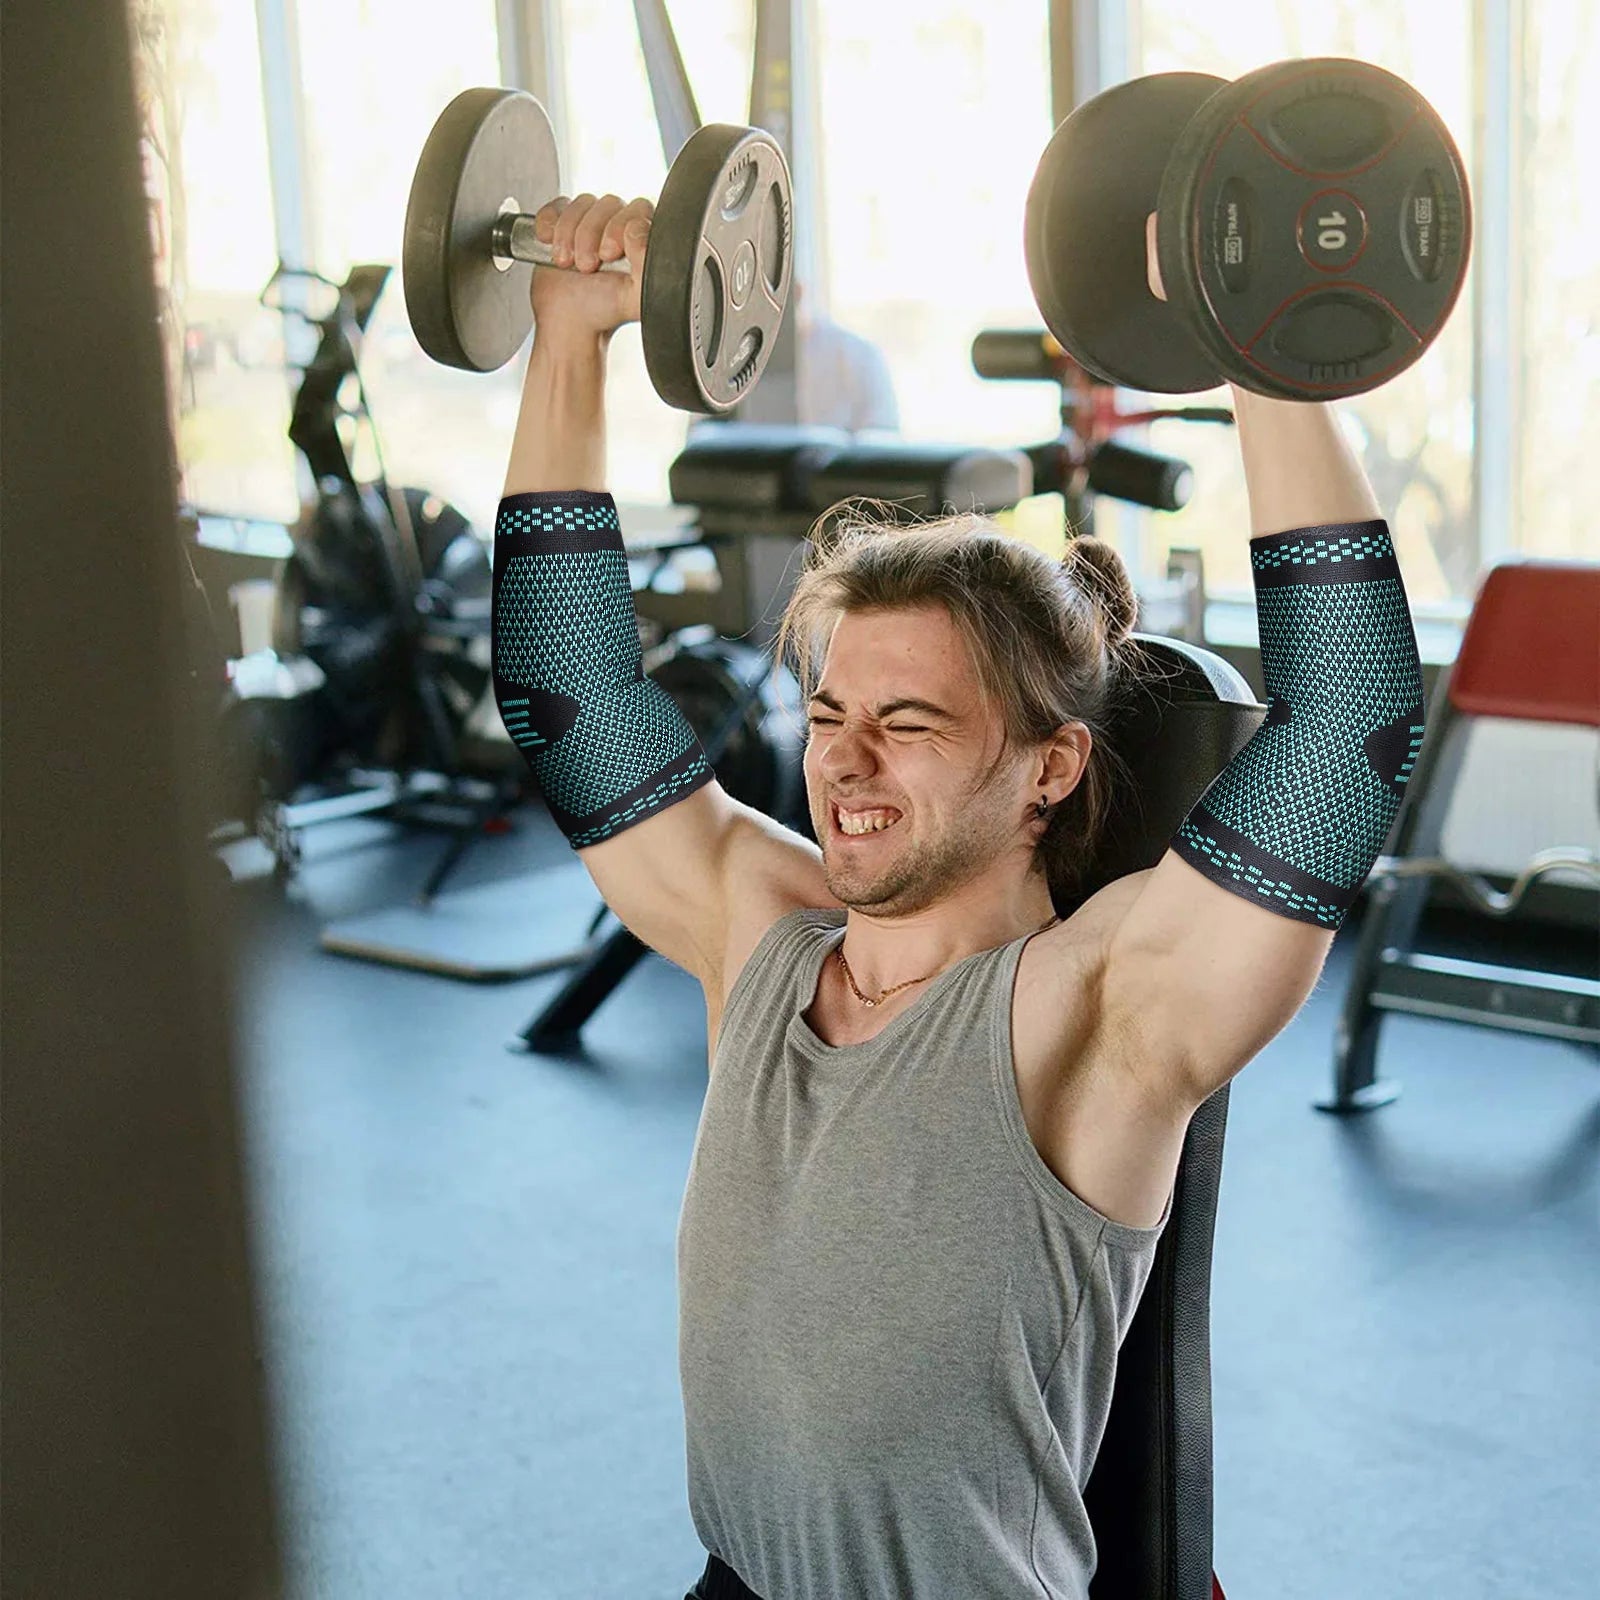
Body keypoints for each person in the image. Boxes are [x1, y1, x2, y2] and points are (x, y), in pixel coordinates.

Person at [491, 193, 1423, 1600]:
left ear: (1052, 765)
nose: (843, 764)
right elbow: (566, 692)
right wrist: (569, 338)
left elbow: (1348, 725)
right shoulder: (760, 933)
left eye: (910, 724)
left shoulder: (1097, 1013)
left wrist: (1262, 349)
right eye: (827, 715)